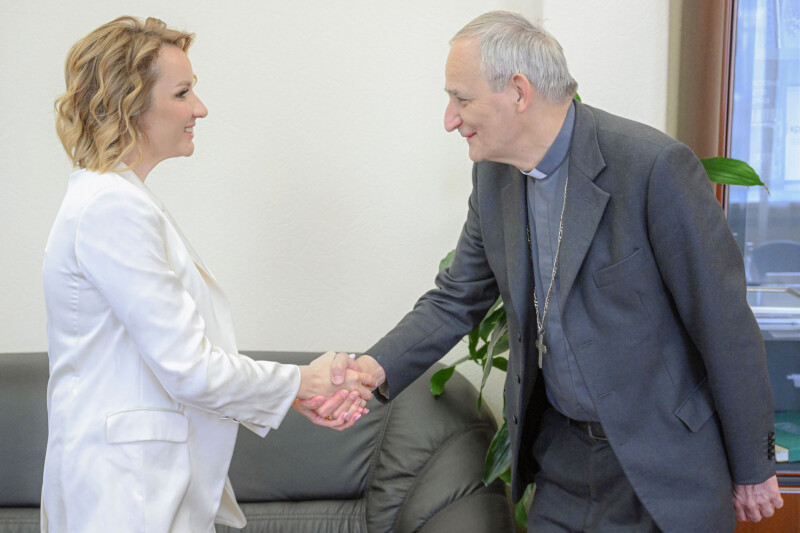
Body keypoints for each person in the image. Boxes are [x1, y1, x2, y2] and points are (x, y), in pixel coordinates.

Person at [318, 10, 784, 532]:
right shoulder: (493, 178)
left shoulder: (652, 167)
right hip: (562, 461)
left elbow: (723, 323)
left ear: (518, 92)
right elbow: (455, 298)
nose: (450, 119)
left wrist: (754, 464)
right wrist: (370, 369)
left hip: (663, 465)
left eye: (461, 99)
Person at [43, 16, 374, 532]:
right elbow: (189, 368)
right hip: (127, 497)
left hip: (142, 488)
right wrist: (304, 381)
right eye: (182, 93)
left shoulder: (121, 199)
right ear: (131, 104)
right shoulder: (112, 207)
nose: (199, 108)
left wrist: (294, 392)